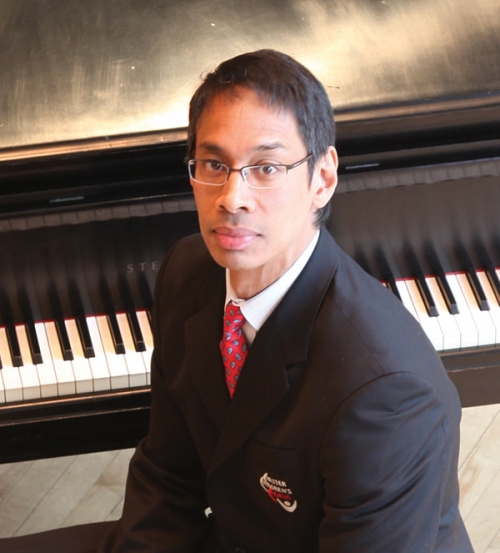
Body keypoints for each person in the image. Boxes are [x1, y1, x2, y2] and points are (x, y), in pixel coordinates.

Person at [0, 49, 471, 553]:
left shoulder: (388, 393)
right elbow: (167, 475)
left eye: (266, 167)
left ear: (323, 179)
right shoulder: (188, 272)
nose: (231, 197)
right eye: (214, 164)